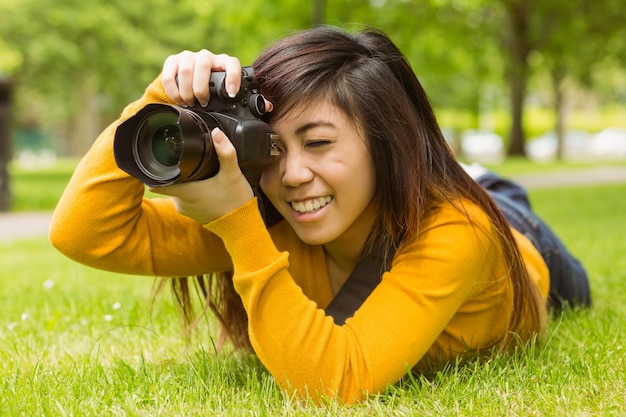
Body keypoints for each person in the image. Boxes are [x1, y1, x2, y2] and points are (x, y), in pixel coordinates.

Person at [49, 26, 591, 404]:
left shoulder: (457, 233)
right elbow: (85, 233)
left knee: (492, 205)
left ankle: (473, 175)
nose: (291, 175)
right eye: (273, 147)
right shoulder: (268, 218)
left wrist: (238, 224)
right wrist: (159, 100)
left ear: (385, 142)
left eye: (319, 142)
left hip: (514, 234)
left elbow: (335, 382)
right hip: (388, 193)